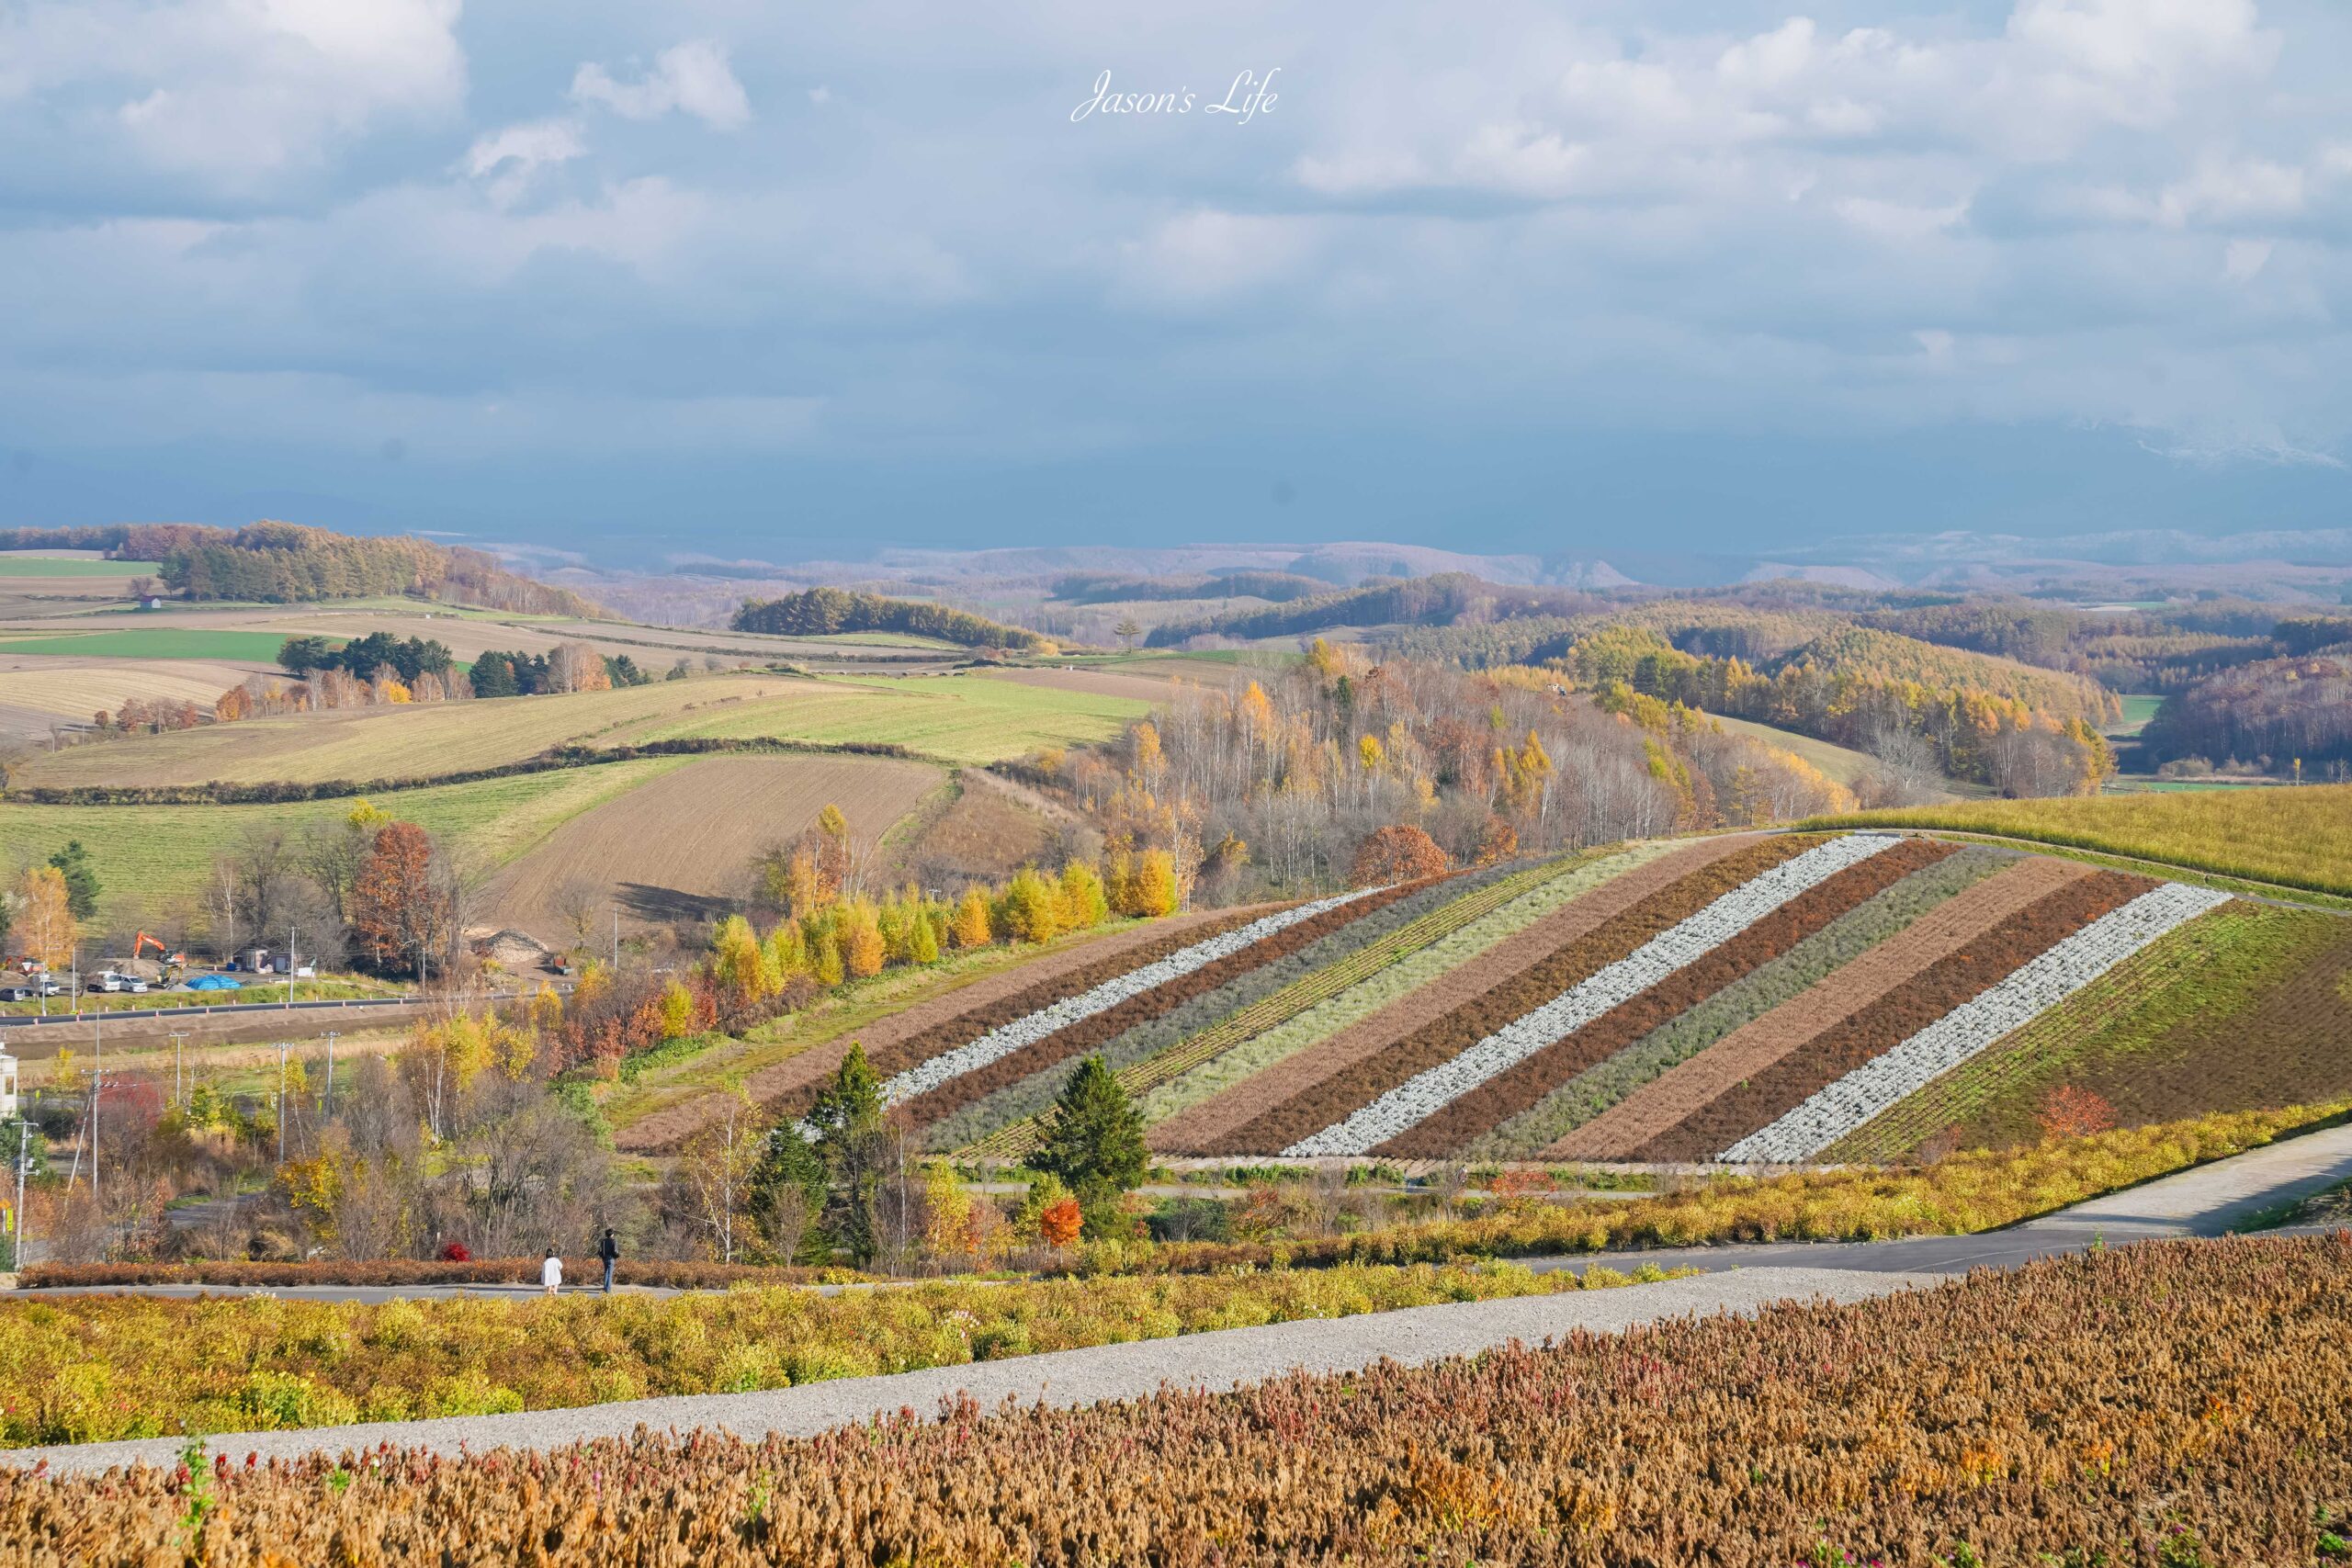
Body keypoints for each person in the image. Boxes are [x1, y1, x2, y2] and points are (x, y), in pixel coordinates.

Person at [597, 1227, 620, 1292]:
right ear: (612, 1234)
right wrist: (617, 1256)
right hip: (611, 1258)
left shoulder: (603, 1241)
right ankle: (608, 1289)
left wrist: (602, 1256)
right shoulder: (614, 1241)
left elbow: (599, 1251)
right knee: (610, 1274)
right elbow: (615, 1251)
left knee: (606, 1272)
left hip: (605, 1258)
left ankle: (605, 1287)